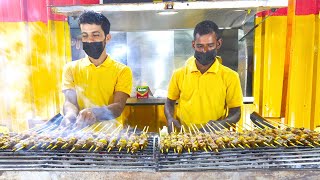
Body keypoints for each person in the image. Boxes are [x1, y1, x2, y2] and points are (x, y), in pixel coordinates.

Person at [164, 20, 243, 132]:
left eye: (210, 45)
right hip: (185, 137)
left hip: (215, 138)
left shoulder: (230, 76)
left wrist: (220, 125)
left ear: (218, 43)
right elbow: (169, 102)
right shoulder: (179, 74)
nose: (205, 51)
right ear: (193, 45)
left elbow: (236, 112)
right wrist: (170, 118)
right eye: (200, 46)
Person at [61, 11, 133, 128]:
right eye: (85, 35)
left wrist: (94, 112)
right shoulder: (70, 69)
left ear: (107, 38)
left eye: (95, 35)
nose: (89, 40)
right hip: (79, 135)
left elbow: (118, 107)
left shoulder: (122, 70)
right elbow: (70, 101)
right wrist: (70, 115)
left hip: (112, 138)